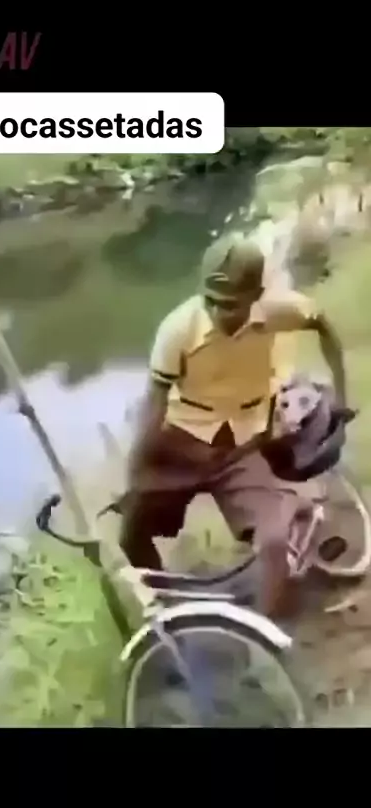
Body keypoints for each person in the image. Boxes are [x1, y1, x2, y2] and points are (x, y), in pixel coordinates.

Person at [119, 233, 348, 619]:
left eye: (229, 304)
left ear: (256, 296)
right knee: (131, 532)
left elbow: (322, 324)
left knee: (273, 543)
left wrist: (341, 395)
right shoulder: (178, 329)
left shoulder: (279, 311)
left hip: (242, 447)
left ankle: (264, 638)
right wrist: (136, 475)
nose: (217, 311)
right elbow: (153, 408)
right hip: (182, 443)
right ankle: (171, 614)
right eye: (211, 300)